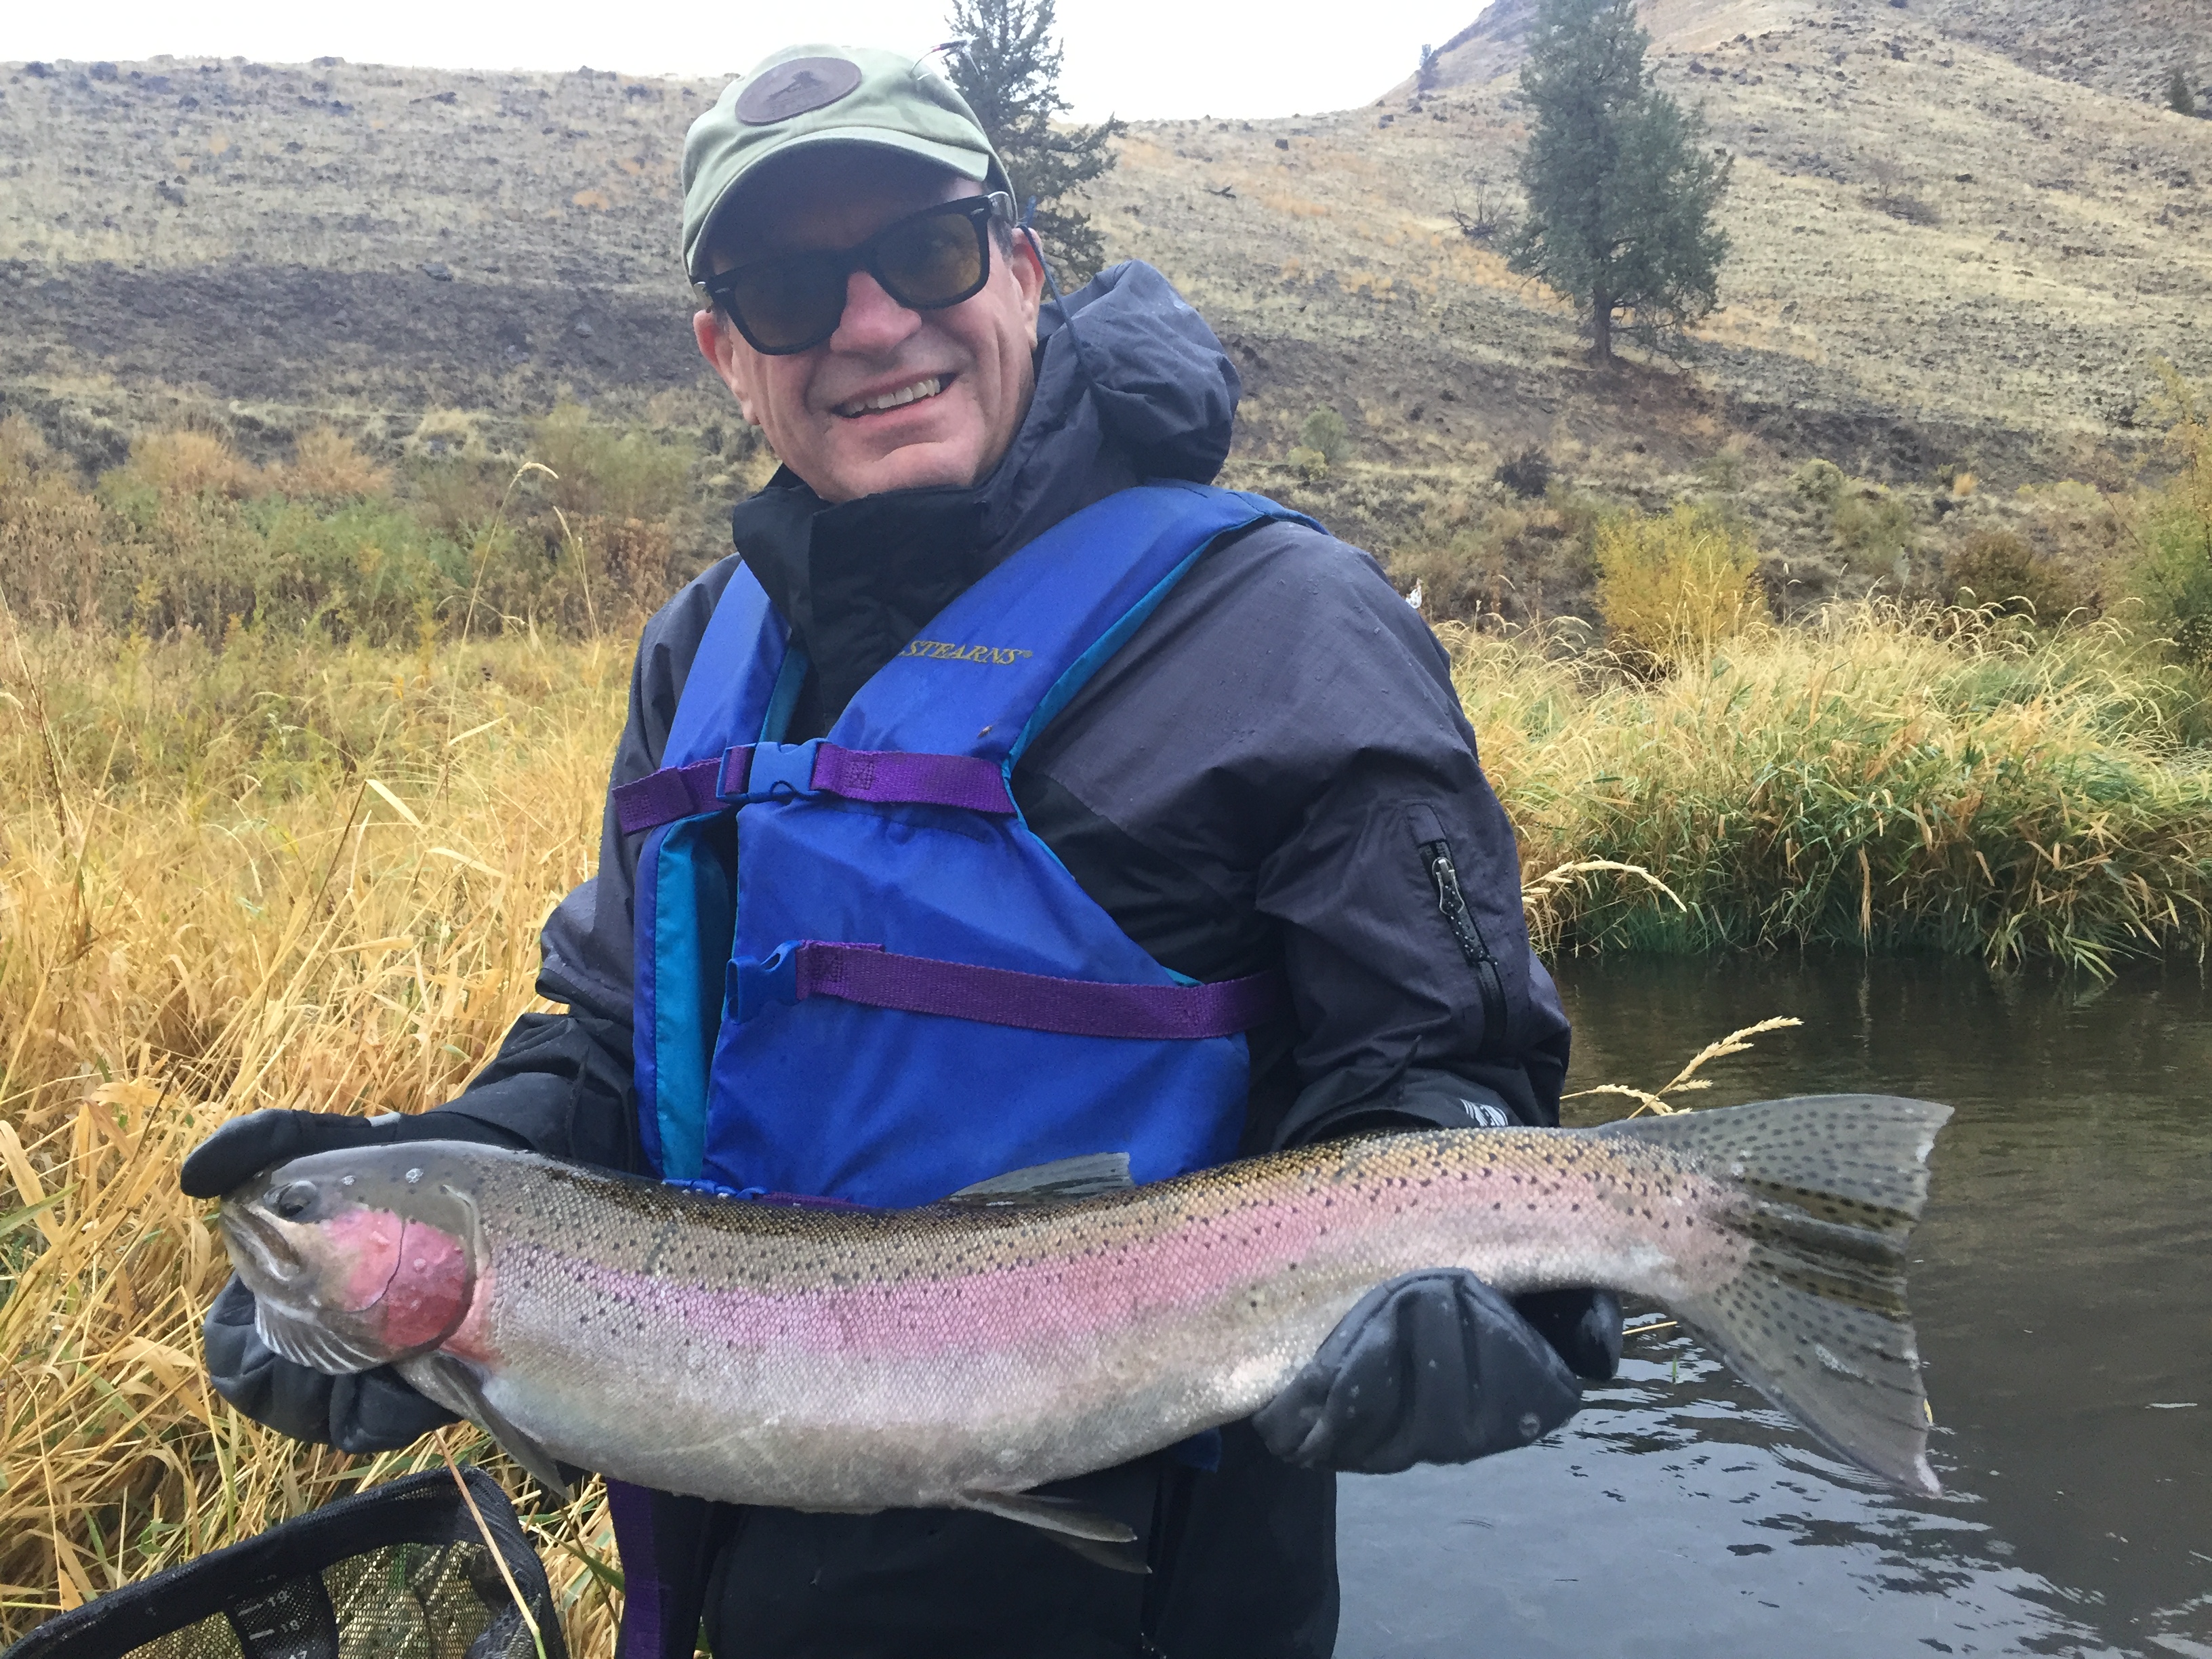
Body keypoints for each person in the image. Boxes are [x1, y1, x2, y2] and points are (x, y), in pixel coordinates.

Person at [182, 43, 1620, 1659]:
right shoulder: (700, 650)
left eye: (923, 253)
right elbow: (619, 1044)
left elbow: (1447, 1068)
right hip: (744, 1583)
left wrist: (1514, 1288)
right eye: (791, 291)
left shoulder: (1279, 624)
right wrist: (440, 1183)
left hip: (1153, 1600)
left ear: (1020, 260)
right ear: (729, 354)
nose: (870, 325)